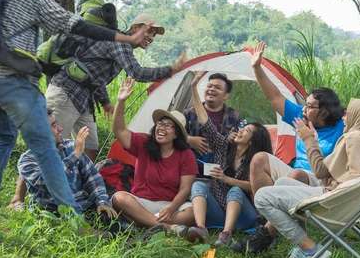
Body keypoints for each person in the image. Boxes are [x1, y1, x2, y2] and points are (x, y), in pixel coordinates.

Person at [0, 0, 148, 215]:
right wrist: (124, 37)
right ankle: (73, 218)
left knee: (4, 136)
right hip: (12, 82)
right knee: (46, 149)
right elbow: (73, 24)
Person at [231, 41, 345, 253]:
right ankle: (265, 222)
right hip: (296, 173)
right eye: (306, 104)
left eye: (310, 106)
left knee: (296, 174)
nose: (304, 109)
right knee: (260, 160)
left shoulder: (342, 128)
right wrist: (256, 68)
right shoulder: (301, 115)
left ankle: (265, 235)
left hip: (320, 179)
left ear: (325, 113)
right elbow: (273, 96)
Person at [255, 98, 360, 258]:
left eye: (348, 113)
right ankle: (300, 248)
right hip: (348, 203)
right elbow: (335, 174)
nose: (344, 117)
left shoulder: (355, 139)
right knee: (282, 182)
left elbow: (321, 172)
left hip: (334, 204)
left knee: (262, 197)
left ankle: (310, 249)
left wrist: (309, 140)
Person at [46, 12, 186, 163]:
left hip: (84, 101)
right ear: (135, 28)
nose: (151, 38)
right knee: (49, 148)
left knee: (90, 147)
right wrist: (170, 70)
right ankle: (27, 184)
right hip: (65, 94)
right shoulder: (120, 42)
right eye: (149, 31)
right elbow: (137, 73)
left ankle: (83, 185)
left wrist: (105, 101)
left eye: (154, 35)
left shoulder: (121, 45)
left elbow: (94, 74)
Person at [185, 71, 273, 246]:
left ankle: (226, 234)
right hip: (220, 210)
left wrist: (226, 179)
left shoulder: (257, 160)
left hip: (244, 216)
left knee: (236, 191)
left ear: (253, 141)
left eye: (246, 130)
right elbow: (204, 121)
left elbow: (257, 186)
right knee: (198, 185)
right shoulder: (223, 145)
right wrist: (194, 87)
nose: (239, 130)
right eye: (242, 128)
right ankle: (201, 228)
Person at [110, 77, 197, 237]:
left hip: (171, 204)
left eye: (168, 126)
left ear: (177, 134)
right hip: (142, 201)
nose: (162, 128)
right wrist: (120, 101)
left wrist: (170, 209)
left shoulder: (186, 155)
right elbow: (119, 131)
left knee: (193, 212)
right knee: (119, 198)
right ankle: (168, 228)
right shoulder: (143, 143)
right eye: (160, 124)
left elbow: (185, 189)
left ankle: (144, 221)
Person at [18, 109, 122, 234]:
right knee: (76, 229)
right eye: (54, 126)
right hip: (55, 214)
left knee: (114, 221)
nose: (60, 128)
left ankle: (130, 235)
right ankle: (95, 234)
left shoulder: (70, 146)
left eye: (57, 123)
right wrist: (75, 155)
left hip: (84, 206)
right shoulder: (27, 162)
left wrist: (101, 201)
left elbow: (93, 177)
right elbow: (51, 183)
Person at [184, 72, 243, 167]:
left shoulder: (234, 115)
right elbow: (175, 134)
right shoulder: (190, 112)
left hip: (221, 170)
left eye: (218, 87)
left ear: (226, 95)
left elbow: (241, 143)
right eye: (209, 86)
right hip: (192, 167)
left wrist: (234, 139)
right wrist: (189, 139)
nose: (211, 89)